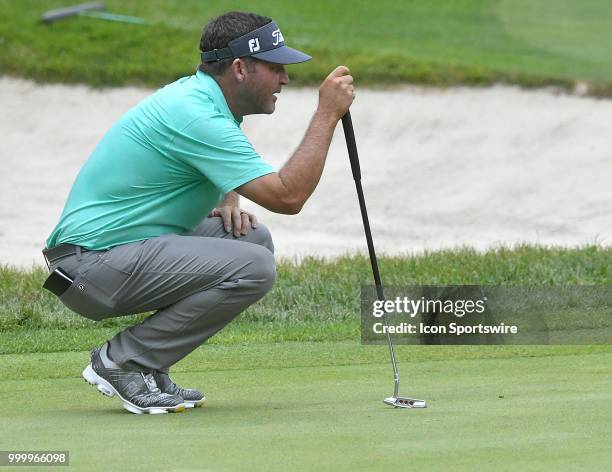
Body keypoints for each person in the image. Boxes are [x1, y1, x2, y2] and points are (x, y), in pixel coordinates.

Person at [42, 11, 355, 415]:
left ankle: (149, 365)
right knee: (254, 266)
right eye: (276, 67)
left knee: (251, 239)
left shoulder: (202, 100)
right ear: (240, 68)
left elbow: (213, 158)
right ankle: (122, 361)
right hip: (89, 266)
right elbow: (288, 197)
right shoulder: (197, 113)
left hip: (109, 256)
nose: (285, 79)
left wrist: (228, 196)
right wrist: (326, 114)